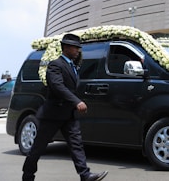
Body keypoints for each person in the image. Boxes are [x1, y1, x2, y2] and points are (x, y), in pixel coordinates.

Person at [22, 34, 108, 181]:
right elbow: (57, 86)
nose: (78, 51)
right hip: (52, 114)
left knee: (76, 145)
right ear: (66, 48)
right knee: (38, 148)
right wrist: (76, 101)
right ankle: (28, 175)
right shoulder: (55, 64)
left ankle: (85, 175)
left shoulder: (72, 66)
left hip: (68, 115)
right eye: (75, 48)